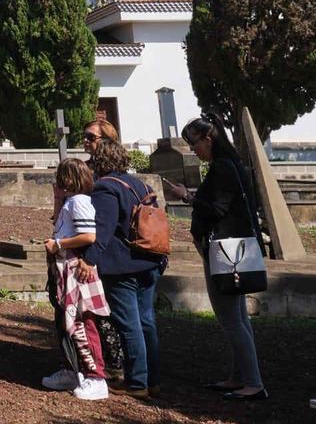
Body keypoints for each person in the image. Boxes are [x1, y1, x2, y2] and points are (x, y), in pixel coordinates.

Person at [164, 116, 267, 401]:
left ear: (209, 139)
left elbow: (218, 209)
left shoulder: (222, 167)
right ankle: (240, 376)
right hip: (234, 249)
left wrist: (188, 198)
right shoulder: (232, 166)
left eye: (194, 143)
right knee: (238, 317)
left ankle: (253, 382)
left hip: (226, 252)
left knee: (231, 319)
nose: (193, 150)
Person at [84, 135, 168, 396]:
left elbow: (103, 230)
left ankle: (137, 382)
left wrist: (89, 260)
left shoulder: (105, 187)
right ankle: (152, 378)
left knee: (129, 324)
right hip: (149, 260)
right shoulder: (138, 184)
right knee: (146, 322)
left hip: (123, 266)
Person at [42, 158, 110, 400]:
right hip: (64, 268)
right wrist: (58, 201)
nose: (58, 183)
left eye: (61, 177)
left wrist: (58, 244)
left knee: (81, 321)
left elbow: (89, 236)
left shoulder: (80, 202)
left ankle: (96, 376)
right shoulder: (70, 202)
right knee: (66, 320)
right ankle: (72, 369)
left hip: (75, 270)